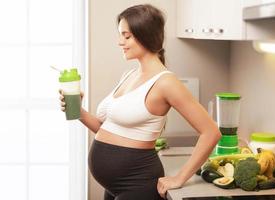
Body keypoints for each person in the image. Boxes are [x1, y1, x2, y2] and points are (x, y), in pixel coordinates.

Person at [59, 4, 221, 200]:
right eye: (120, 35)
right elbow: (107, 130)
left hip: (138, 184)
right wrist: (79, 111)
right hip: (113, 186)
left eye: (126, 36)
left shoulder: (166, 82)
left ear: (145, 35)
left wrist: (179, 178)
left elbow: (211, 131)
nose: (120, 42)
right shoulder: (130, 74)